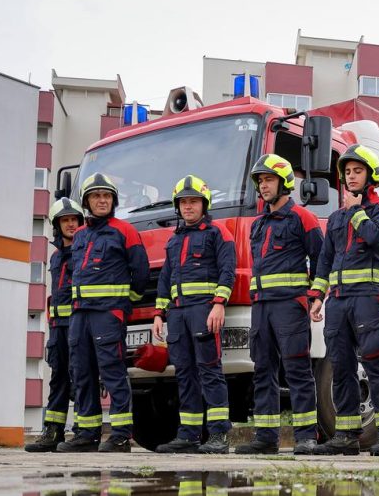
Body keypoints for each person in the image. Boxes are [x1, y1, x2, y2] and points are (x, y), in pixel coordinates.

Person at [308, 145, 379, 457]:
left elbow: (376, 237)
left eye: (357, 171)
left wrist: (357, 211)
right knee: (341, 365)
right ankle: (346, 435)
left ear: (370, 176)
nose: (350, 176)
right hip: (337, 301)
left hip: (368, 298)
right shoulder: (336, 218)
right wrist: (317, 296)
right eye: (347, 172)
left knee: (375, 362)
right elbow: (325, 260)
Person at [237, 154, 325, 455]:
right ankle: (266, 438)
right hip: (261, 307)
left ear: (284, 182)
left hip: (290, 305)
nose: (263, 186)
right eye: (260, 181)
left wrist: (316, 296)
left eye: (269, 180)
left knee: (297, 370)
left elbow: (321, 260)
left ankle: (306, 437)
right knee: (263, 371)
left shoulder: (303, 218)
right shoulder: (258, 224)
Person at [57, 173, 150, 453]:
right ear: (86, 201)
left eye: (106, 196)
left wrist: (125, 302)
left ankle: (120, 436)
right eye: (96, 196)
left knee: (113, 372)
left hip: (108, 314)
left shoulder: (125, 231)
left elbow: (141, 271)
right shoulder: (80, 234)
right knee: (81, 373)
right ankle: (87, 434)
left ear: (113, 200)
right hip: (80, 315)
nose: (102, 200)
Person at [151, 176, 236, 454]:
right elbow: (165, 279)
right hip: (177, 314)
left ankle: (219, 435)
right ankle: (188, 435)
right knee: (185, 374)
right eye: (183, 202)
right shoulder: (173, 241)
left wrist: (219, 303)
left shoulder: (218, 233)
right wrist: (159, 313)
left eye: (193, 201)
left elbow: (227, 271)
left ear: (204, 204)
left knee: (210, 371)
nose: (188, 206)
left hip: (204, 310)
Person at [26, 197, 83, 452]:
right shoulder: (56, 257)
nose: (70, 224)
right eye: (65, 220)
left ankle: (82, 431)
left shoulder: (85, 252)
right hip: (58, 327)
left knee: (80, 378)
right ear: (57, 226)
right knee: (58, 379)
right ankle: (52, 431)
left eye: (74, 220)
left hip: (78, 324)